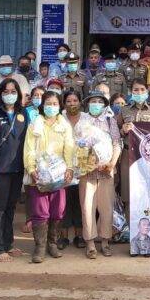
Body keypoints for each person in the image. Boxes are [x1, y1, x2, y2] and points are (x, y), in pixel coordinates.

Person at [23, 91, 75, 264]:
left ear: (60, 106)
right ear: (42, 105)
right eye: (48, 103)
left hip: (59, 174)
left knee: (58, 210)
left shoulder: (64, 125)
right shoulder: (35, 124)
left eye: (54, 104)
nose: (51, 107)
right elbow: (29, 148)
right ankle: (39, 247)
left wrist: (69, 168)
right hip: (39, 174)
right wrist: (31, 168)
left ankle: (52, 243)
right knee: (40, 211)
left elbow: (69, 147)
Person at [0, 78, 28, 262]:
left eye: (13, 91)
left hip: (17, 169)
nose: (10, 95)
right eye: (6, 92)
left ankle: (8, 244)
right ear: (0, 94)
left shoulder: (23, 113)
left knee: (10, 208)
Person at [77, 92, 122, 259]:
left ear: (104, 105)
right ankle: (89, 243)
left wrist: (111, 163)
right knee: (87, 207)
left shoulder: (110, 121)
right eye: (93, 101)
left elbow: (116, 143)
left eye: (99, 101)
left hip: (106, 171)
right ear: (88, 104)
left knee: (106, 208)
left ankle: (105, 241)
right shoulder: (82, 120)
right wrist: (86, 163)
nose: (96, 104)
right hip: (87, 171)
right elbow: (77, 144)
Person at [119, 80, 150, 206]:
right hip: (128, 154)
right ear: (131, 92)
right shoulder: (124, 110)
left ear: (147, 91)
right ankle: (128, 217)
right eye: (136, 90)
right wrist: (123, 130)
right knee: (128, 192)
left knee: (148, 191)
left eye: (142, 89)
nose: (139, 92)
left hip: (147, 156)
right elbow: (117, 132)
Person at [60, 90, 86, 250]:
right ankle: (63, 236)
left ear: (80, 102)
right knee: (64, 201)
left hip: (83, 166)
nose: (72, 104)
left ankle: (79, 235)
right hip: (63, 166)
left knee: (79, 201)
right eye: (68, 101)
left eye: (75, 100)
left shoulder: (87, 118)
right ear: (64, 103)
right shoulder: (59, 119)